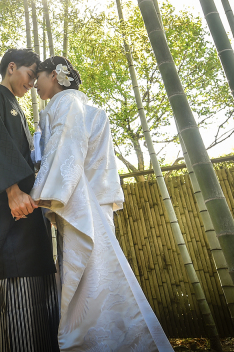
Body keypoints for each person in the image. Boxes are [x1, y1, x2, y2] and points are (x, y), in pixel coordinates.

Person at [31, 56, 173, 352]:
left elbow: (66, 146)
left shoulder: (66, 102)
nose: (34, 84)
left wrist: (41, 192)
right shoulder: (89, 107)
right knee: (99, 275)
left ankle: (98, 343)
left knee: (86, 277)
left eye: (38, 77)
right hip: (94, 199)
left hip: (80, 202)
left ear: (54, 75)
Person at [0, 48, 60, 352]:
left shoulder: (17, 109)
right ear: (12, 67)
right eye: (30, 75)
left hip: (28, 213)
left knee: (39, 287)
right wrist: (11, 190)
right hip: (9, 213)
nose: (32, 84)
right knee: (13, 289)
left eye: (35, 78)